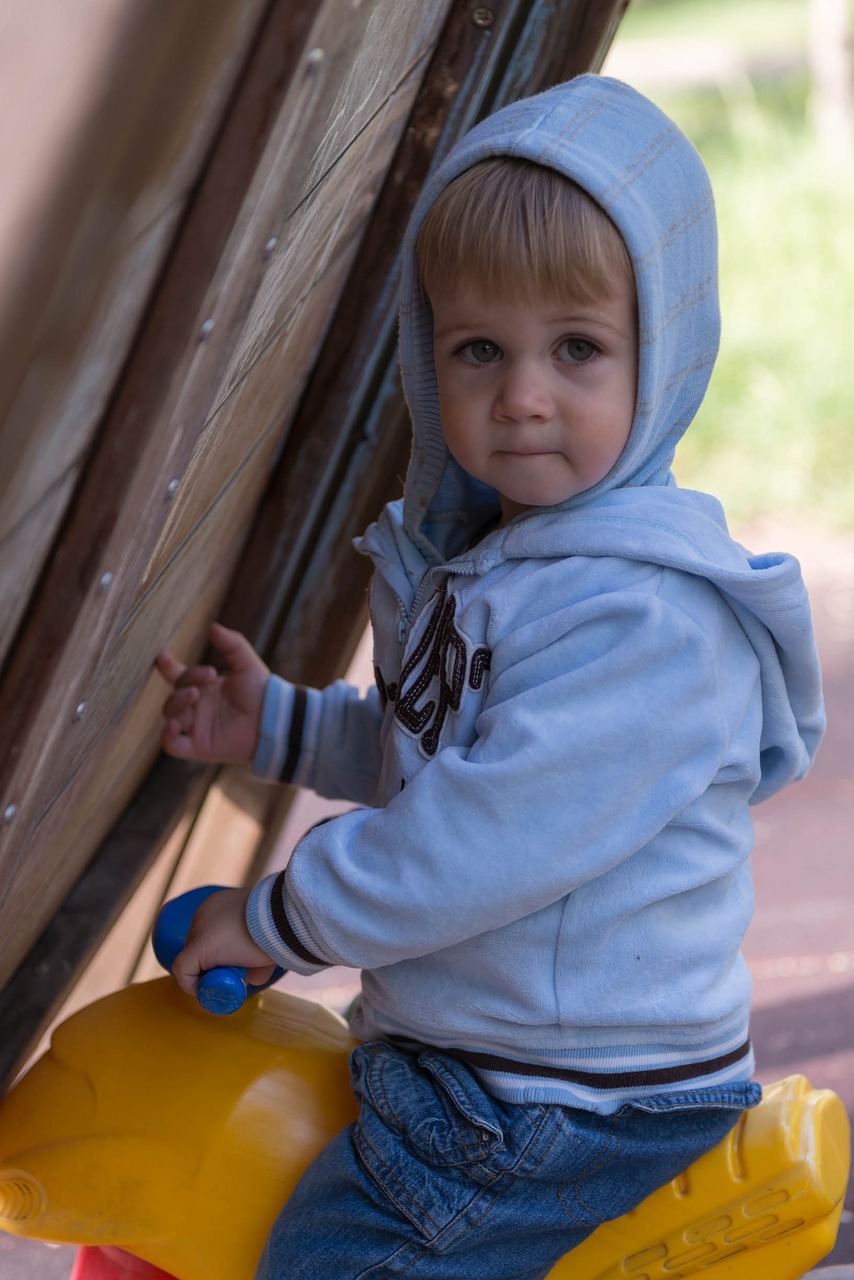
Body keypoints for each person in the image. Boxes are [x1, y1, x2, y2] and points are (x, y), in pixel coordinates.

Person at [156, 74, 825, 1280]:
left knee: (334, 1257)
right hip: (486, 1056)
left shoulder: (646, 619)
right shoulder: (498, 558)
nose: (520, 395)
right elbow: (443, 752)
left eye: (575, 348)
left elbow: (478, 835)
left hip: (571, 1098)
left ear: (661, 353)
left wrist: (271, 922)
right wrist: (283, 728)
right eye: (479, 348)